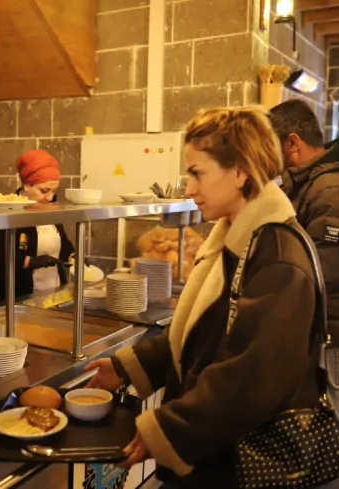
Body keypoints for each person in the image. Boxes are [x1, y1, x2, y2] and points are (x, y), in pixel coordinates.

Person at [84, 106, 324, 488]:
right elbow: (201, 335)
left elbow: (247, 380)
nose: (189, 187)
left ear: (241, 171)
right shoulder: (236, 237)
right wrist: (128, 367)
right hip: (215, 458)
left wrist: (165, 427)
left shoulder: (278, 257)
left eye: (197, 173)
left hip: (241, 467)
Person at [270, 99, 339, 415]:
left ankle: (326, 467)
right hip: (317, 323)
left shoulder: (336, 188)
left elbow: (321, 268)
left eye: (270, 146)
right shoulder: (314, 181)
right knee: (308, 419)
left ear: (292, 142)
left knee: (323, 424)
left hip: (329, 327)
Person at [0, 149, 76, 303]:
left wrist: (73, 255)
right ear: (27, 185)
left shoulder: (50, 208)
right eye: (44, 190)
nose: (49, 197)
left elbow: (61, 241)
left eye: (54, 191)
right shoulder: (7, 209)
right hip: (19, 296)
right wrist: (29, 261)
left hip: (52, 291)